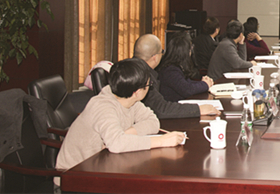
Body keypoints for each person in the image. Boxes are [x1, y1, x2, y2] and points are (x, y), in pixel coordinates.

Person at [56, 59, 186, 172]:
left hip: (100, 165)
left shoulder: (129, 99)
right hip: (75, 174)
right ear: (137, 92)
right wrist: (162, 141)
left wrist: (126, 133)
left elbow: (153, 122)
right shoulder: (103, 107)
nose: (149, 88)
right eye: (149, 85)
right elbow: (117, 144)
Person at [133, 34, 219, 118]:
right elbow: (161, 109)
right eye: (161, 52)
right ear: (155, 57)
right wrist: (198, 109)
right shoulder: (144, 77)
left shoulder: (133, 69)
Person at [158, 31, 214, 102]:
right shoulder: (170, 71)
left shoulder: (173, 66)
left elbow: (187, 83)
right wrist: (205, 84)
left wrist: (203, 82)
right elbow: (187, 90)